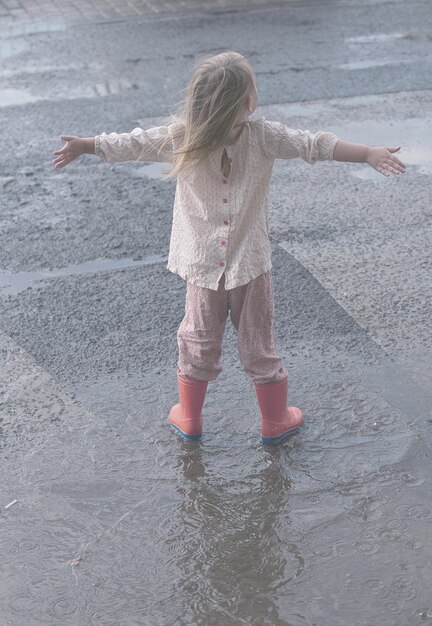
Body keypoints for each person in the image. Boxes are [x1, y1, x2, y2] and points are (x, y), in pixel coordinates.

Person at [53, 51, 406, 444]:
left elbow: (133, 144)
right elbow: (314, 145)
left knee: (198, 339)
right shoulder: (264, 135)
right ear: (248, 101)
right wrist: (368, 154)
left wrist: (86, 144)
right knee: (259, 341)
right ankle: (275, 420)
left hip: (202, 265)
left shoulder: (183, 136)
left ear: (198, 102)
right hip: (250, 264)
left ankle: (189, 417)